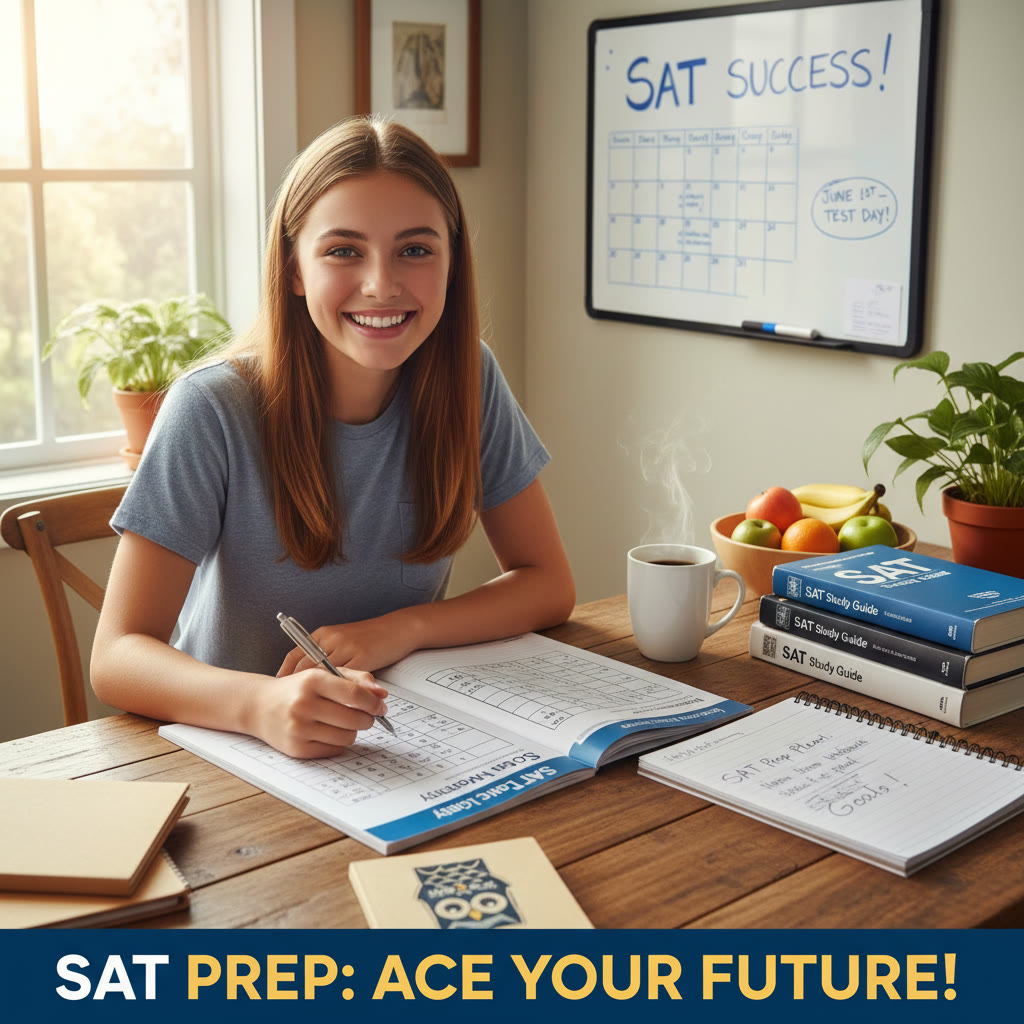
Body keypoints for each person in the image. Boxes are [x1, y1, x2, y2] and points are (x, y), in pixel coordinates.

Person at [91, 115, 575, 759]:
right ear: (293, 268)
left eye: (416, 248)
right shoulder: (211, 408)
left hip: (400, 740)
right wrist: (260, 705)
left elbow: (548, 582)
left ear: (452, 264)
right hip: (233, 749)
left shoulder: (469, 378)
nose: (382, 283)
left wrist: (402, 629)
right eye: (344, 250)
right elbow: (117, 658)